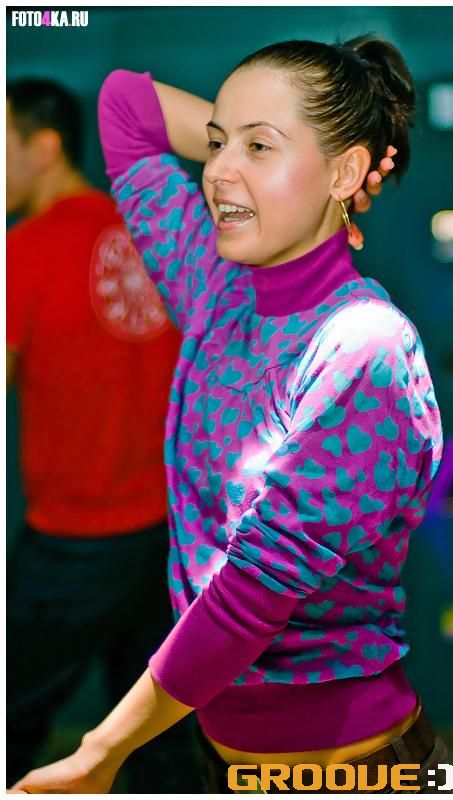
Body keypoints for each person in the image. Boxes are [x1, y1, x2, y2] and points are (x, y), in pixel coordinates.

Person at [9, 35, 447, 795]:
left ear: (344, 171)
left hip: (347, 768)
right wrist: (283, 151)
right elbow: (125, 105)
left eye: (258, 146)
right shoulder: (218, 293)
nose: (217, 170)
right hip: (225, 750)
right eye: (215, 144)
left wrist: (99, 752)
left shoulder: (363, 348)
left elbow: (253, 595)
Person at [6, 78, 203, 793]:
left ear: (44, 146)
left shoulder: (22, 251)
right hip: (167, 533)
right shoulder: (150, 229)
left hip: (75, 541)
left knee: (8, 720)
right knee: (157, 739)